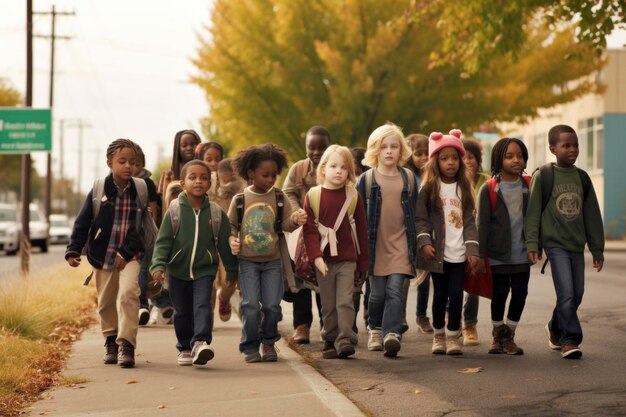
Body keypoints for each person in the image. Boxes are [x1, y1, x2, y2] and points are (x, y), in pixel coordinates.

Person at [525, 124, 604, 359]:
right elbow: (533, 214)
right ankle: (570, 340)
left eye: (576, 145)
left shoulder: (583, 178)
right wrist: (533, 244)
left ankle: (554, 327)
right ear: (552, 148)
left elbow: (592, 215)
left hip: (576, 245)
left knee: (576, 294)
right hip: (555, 245)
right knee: (567, 292)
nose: (573, 149)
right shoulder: (543, 176)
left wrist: (597, 248)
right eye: (566, 145)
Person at [65, 138, 145, 368]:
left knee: (128, 294)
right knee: (106, 302)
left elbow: (141, 228)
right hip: (103, 255)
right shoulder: (99, 189)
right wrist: (73, 250)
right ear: (109, 162)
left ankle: (127, 345)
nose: (128, 166)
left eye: (132, 161)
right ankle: (111, 341)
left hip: (130, 256)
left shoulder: (139, 190)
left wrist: (126, 251)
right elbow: (83, 223)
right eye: (122, 161)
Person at [150, 160, 238, 366]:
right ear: (183, 183)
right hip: (178, 271)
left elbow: (225, 246)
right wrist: (158, 266)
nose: (198, 181)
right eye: (192, 177)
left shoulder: (216, 214)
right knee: (181, 312)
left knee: (202, 306)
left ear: (209, 183)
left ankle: (200, 342)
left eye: (203, 178)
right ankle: (185, 347)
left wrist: (232, 273)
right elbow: (163, 241)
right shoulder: (174, 211)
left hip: (205, 270)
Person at [228, 144, 307, 362]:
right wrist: (232, 240)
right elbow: (231, 226)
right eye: (265, 175)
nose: (271, 179)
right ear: (251, 173)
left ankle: (269, 342)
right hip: (248, 262)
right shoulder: (241, 200)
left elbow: (286, 225)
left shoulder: (280, 198)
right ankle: (250, 345)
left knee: (272, 306)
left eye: (274, 175)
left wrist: (296, 220)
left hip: (273, 261)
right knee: (251, 306)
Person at [356, 123, 419, 358]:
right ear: (375, 150)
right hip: (375, 246)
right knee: (377, 294)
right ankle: (375, 328)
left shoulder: (410, 179)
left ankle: (392, 334)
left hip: (401, 243)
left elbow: (416, 213)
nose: (389, 151)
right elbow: (357, 214)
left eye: (394, 146)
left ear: (401, 149)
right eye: (384, 147)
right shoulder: (366, 179)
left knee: (395, 290)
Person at [416, 129, 479, 356]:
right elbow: (421, 219)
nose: (450, 163)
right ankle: (439, 335)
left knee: (456, 294)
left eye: (454, 158)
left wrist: (472, 249)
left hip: (460, 253)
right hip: (438, 253)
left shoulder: (464, 188)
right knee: (440, 295)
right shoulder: (429, 189)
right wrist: (425, 242)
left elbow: (470, 220)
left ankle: (454, 336)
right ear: (436, 162)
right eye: (444, 158)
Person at [302, 145, 369, 359]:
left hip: (348, 260)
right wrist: (316, 258)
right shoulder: (313, 196)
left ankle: (345, 339)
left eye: (344, 167)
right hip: (324, 260)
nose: (338, 171)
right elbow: (309, 231)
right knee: (328, 304)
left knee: (345, 301)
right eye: (333, 166)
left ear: (350, 172)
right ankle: (329, 339)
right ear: (323, 168)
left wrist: (363, 264)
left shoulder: (353, 196)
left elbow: (362, 231)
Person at [477, 138, 531, 355]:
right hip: (497, 254)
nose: (516, 160)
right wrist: (480, 255)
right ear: (498, 160)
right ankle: (497, 333)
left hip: (522, 253)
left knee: (520, 293)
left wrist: (537, 246)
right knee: (499, 294)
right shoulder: (488, 189)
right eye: (509, 156)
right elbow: (482, 225)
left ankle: (509, 335)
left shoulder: (529, 185)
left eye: (519, 155)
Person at [282, 126, 330, 344]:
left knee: (324, 278)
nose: (317, 152)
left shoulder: (334, 166)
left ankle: (327, 324)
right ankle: (302, 326)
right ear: (306, 148)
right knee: (300, 278)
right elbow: (288, 191)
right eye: (312, 147)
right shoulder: (299, 169)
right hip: (302, 231)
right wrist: (296, 211)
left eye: (322, 147)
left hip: (327, 233)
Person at [459, 138, 490, 346]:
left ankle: (470, 324)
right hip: (454, 238)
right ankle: (449, 316)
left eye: (471, 157)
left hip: (477, 239)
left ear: (477, 159)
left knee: (474, 281)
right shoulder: (453, 181)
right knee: (452, 282)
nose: (467, 161)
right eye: (463, 157)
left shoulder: (487, 180)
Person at [132, 143, 164, 326]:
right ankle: (137, 305)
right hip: (124, 235)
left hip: (144, 233)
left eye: (136, 163)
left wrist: (153, 230)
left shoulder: (147, 183)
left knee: (143, 269)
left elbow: (153, 209)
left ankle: (142, 305)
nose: (132, 167)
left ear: (142, 165)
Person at [405, 133, 434, 334]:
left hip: (426, 230)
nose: (423, 157)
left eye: (427, 153)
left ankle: (421, 316)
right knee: (402, 276)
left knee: (425, 276)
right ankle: (397, 316)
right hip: (407, 230)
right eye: (418, 153)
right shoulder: (406, 176)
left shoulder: (434, 175)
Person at [212, 158, 245, 322]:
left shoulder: (242, 188)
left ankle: (224, 298)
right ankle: (204, 321)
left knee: (229, 280)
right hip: (210, 240)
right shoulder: (209, 187)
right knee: (209, 281)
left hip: (231, 240)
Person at [350, 146, 370, 331]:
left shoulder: (367, 182)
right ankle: (351, 323)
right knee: (355, 288)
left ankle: (369, 317)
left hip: (367, 239)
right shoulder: (342, 182)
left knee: (369, 283)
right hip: (349, 242)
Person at [156, 129, 202, 207]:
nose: (189, 148)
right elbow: (163, 202)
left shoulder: (207, 173)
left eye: (193, 144)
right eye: (184, 145)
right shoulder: (168, 176)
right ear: (178, 148)